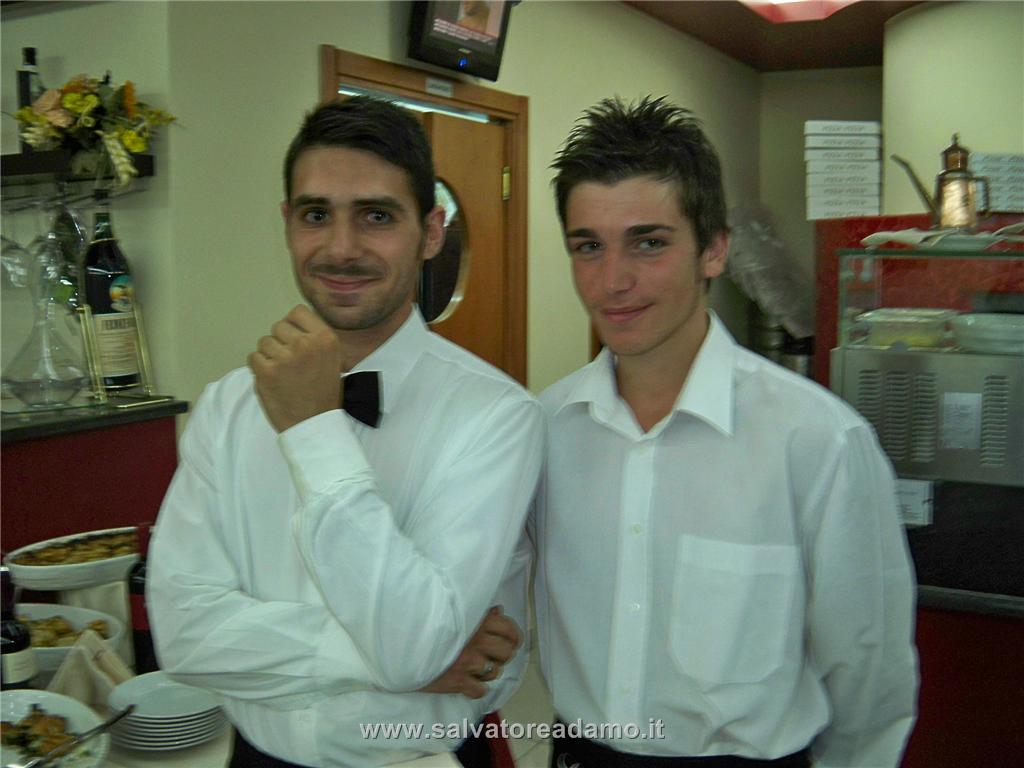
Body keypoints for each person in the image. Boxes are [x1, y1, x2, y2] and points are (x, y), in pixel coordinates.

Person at [148, 96, 543, 768]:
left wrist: (313, 429)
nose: (340, 248)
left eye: (376, 216)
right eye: (315, 215)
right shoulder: (226, 405)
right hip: (256, 758)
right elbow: (184, 636)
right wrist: (385, 658)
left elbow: (413, 648)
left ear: (431, 233)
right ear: (287, 224)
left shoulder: (497, 415)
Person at [531, 96, 918, 767]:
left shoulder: (816, 441)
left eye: (649, 242)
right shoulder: (544, 429)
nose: (613, 280)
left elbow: (868, 672)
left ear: (714, 249)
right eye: (588, 246)